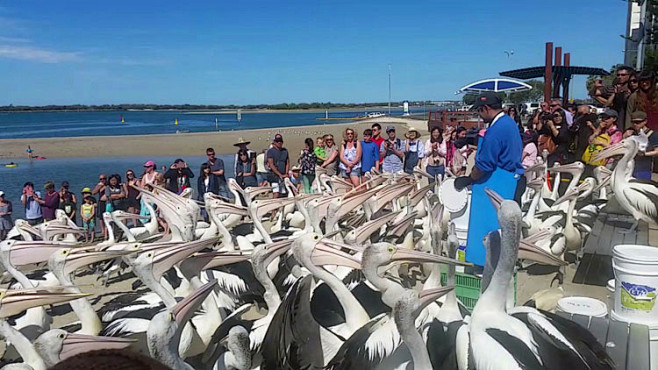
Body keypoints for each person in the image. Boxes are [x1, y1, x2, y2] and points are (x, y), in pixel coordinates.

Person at [454, 92, 524, 268]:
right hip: (511, 179)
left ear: (485, 108)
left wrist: (469, 178)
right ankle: (502, 263)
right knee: (505, 229)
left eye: (479, 110)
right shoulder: (509, 123)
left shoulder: (495, 130)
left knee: (487, 229)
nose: (479, 114)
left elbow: (485, 165)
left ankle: (484, 265)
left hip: (495, 183)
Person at [630, 111, 658, 179]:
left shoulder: (653, 135)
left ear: (645, 121)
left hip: (644, 168)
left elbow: (657, 151)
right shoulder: (632, 133)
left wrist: (644, 154)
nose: (635, 124)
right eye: (633, 122)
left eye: (638, 122)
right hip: (631, 167)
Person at [267, 134, 290, 199]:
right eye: (277, 141)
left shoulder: (285, 151)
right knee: (276, 193)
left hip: (283, 174)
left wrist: (286, 173)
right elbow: (271, 164)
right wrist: (280, 174)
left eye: (280, 141)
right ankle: (273, 208)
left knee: (283, 193)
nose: (279, 142)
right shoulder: (270, 151)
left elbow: (287, 162)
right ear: (274, 142)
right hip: (274, 175)